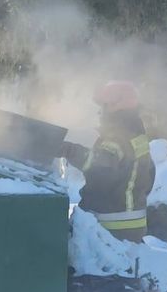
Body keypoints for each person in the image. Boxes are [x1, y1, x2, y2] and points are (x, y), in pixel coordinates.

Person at [62, 80, 156, 241]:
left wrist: (68, 150)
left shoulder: (117, 138)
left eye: (103, 106)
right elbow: (149, 173)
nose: (100, 112)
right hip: (132, 223)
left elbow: (98, 167)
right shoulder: (136, 134)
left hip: (112, 225)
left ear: (114, 106)